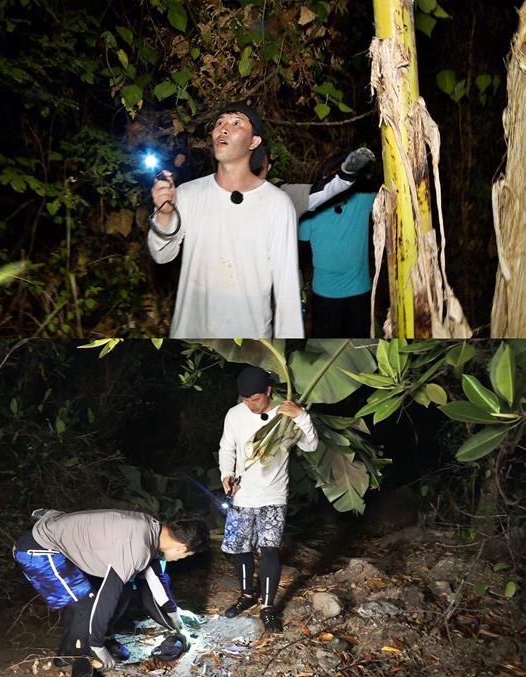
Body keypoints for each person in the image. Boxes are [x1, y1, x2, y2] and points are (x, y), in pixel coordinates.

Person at [147, 102, 303, 339]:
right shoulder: (189, 193)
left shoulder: (277, 204)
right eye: (220, 123)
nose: (223, 128)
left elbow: (287, 290)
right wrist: (165, 214)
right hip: (192, 336)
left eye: (236, 123)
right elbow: (161, 254)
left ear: (253, 142)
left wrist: (286, 354)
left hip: (250, 342)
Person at [13, 509, 209, 675]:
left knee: (123, 590)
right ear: (183, 548)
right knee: (87, 604)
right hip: (38, 549)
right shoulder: (137, 547)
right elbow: (108, 595)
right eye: (187, 555)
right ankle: (78, 657)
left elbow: (156, 584)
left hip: (58, 543)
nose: (181, 559)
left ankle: (82, 648)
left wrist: (175, 620)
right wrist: (96, 644)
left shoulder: (152, 531)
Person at [218, 366, 318, 632]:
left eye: (255, 399)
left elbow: (311, 445)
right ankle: (246, 595)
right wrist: (226, 474)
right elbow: (226, 448)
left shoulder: (285, 413)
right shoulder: (234, 415)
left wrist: (302, 416)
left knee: (270, 548)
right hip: (241, 495)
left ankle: (267, 606)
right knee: (241, 548)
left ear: (268, 392)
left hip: (273, 494)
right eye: (245, 399)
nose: (250, 404)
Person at [298, 163, 377, 337]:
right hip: (324, 295)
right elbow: (299, 251)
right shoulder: (310, 213)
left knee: (358, 348)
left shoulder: (362, 201)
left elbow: (390, 193)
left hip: (358, 294)